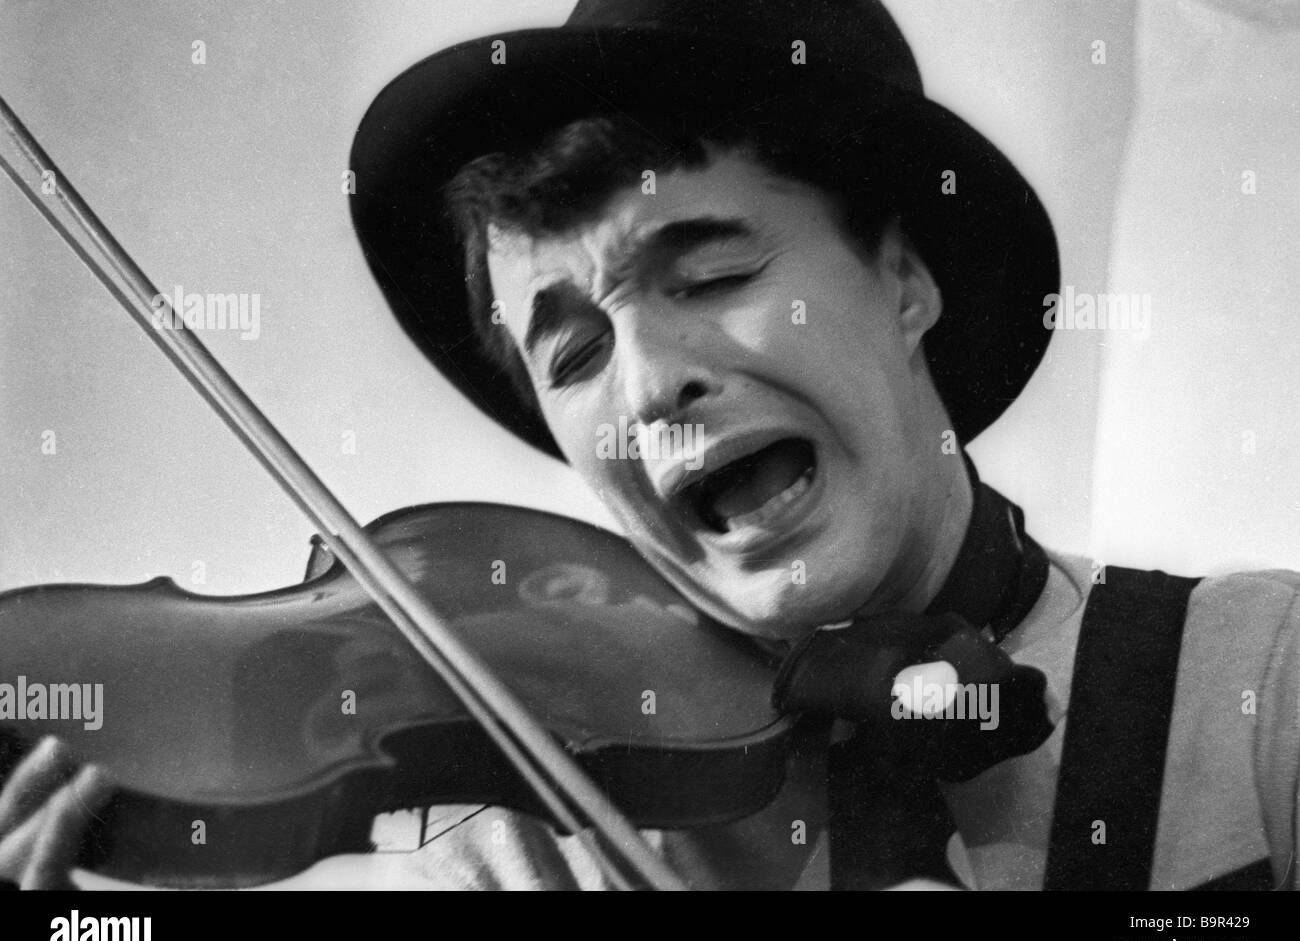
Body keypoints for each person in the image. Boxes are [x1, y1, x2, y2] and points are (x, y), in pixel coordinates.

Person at [2, 0, 1297, 891]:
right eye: (569, 353)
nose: (650, 381)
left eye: (713, 270)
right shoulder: (524, 826)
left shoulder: (1260, 691)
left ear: (903, 278)